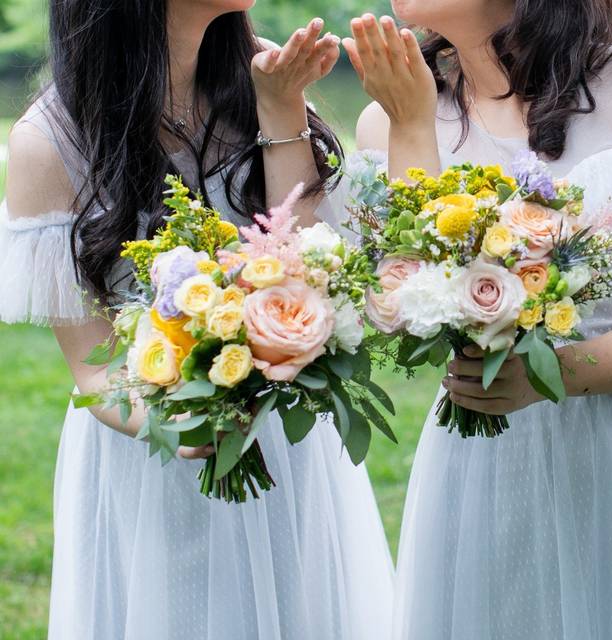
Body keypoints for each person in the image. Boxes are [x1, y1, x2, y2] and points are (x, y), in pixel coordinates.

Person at [342, 2, 612, 637]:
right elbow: (405, 314)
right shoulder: (389, 113)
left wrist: (554, 375)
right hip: (486, 452)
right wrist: (410, 126)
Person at [0, 2, 393, 638]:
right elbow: (91, 372)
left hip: (283, 438)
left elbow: (310, 264)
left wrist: (282, 106)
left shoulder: (258, 65)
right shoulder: (49, 142)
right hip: (153, 456)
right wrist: (186, 419)